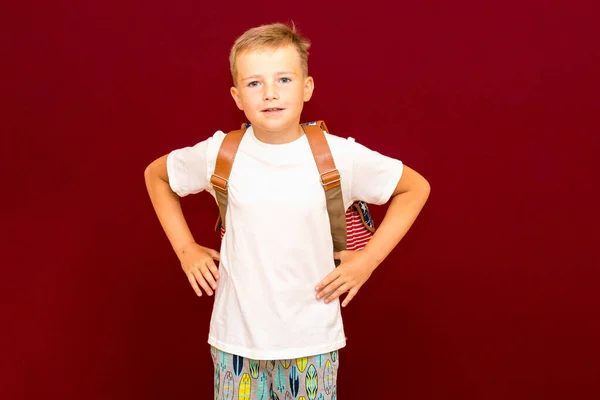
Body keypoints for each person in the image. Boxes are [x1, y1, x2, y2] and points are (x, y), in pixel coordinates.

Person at [144, 22, 430, 399]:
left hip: (312, 344)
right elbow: (157, 176)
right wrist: (186, 250)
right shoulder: (219, 153)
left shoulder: (338, 155)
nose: (270, 94)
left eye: (283, 80)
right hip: (236, 345)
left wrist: (368, 260)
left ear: (307, 87)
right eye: (254, 83)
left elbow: (414, 188)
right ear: (236, 97)